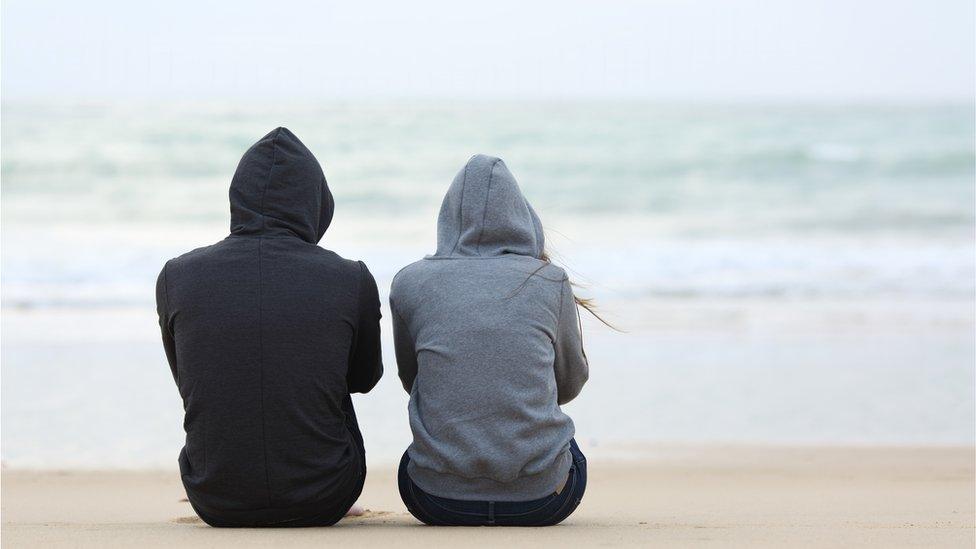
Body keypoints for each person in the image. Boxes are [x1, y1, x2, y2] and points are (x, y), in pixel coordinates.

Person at [155, 128, 382, 527]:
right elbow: (364, 378)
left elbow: (187, 378)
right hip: (326, 495)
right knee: (321, 378)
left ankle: (236, 476)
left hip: (213, 497)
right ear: (316, 202)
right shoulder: (350, 277)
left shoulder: (178, 275)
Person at [390, 154, 590, 526]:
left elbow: (415, 382)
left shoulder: (410, 281)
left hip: (436, 500)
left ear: (447, 218)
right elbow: (570, 383)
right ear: (522, 216)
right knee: (568, 449)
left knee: (416, 457)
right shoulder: (550, 280)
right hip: (545, 500)